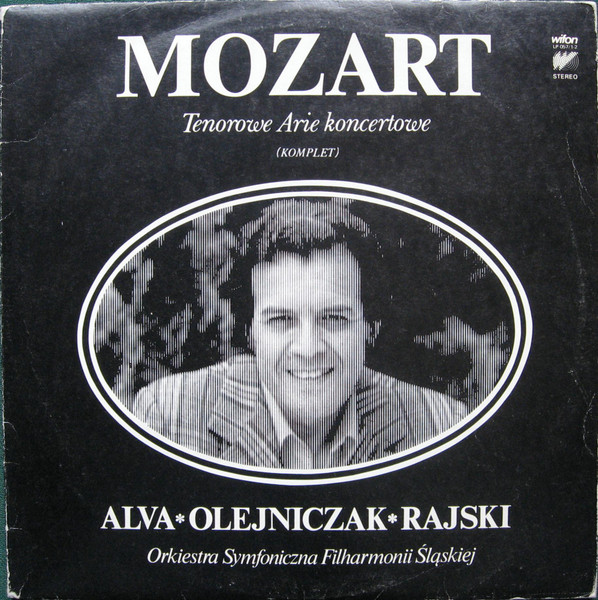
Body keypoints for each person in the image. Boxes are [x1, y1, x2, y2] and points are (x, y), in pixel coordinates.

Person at [133, 198, 467, 469]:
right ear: (250, 332)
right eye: (281, 319)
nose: (308, 348)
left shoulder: (440, 423)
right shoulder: (168, 416)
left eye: (334, 318)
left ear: (370, 327)